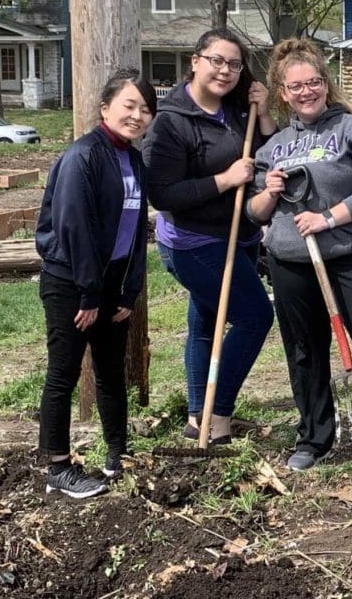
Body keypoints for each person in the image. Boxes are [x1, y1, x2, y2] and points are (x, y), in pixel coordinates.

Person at [246, 39, 352, 491]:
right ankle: (314, 436)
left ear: (325, 83)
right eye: (295, 86)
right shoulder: (273, 146)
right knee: (304, 350)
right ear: (282, 92)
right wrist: (270, 191)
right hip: (291, 260)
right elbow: (255, 213)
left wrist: (328, 217)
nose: (306, 92)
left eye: (313, 82)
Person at [143, 28, 276, 445]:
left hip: (239, 236)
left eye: (234, 64)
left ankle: (198, 417)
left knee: (204, 326)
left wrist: (266, 112)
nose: (225, 70)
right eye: (217, 60)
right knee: (255, 317)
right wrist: (224, 179)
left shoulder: (237, 108)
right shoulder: (171, 123)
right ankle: (218, 415)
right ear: (195, 61)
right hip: (194, 244)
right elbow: (163, 194)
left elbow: (269, 154)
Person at [37, 68, 156, 498]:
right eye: (129, 105)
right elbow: (75, 228)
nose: (138, 115)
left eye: (145, 109)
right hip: (71, 282)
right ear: (105, 108)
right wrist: (88, 293)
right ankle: (57, 467)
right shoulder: (81, 157)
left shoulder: (133, 160)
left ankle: (117, 454)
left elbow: (136, 230)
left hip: (110, 287)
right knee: (63, 374)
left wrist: (127, 291)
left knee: (110, 373)